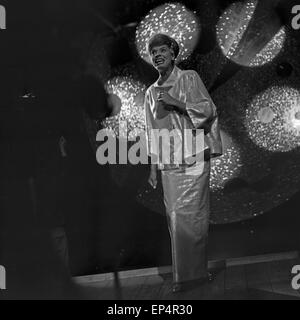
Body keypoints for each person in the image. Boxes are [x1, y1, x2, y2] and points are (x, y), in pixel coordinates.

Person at [144, 34, 223, 292]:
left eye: (162, 50)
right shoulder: (150, 93)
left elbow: (208, 109)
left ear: (172, 53)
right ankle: (184, 276)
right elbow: (151, 131)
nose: (158, 55)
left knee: (195, 216)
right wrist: (153, 166)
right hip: (169, 163)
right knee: (175, 217)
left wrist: (177, 103)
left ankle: (195, 275)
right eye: (153, 51)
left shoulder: (188, 77)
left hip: (194, 158)